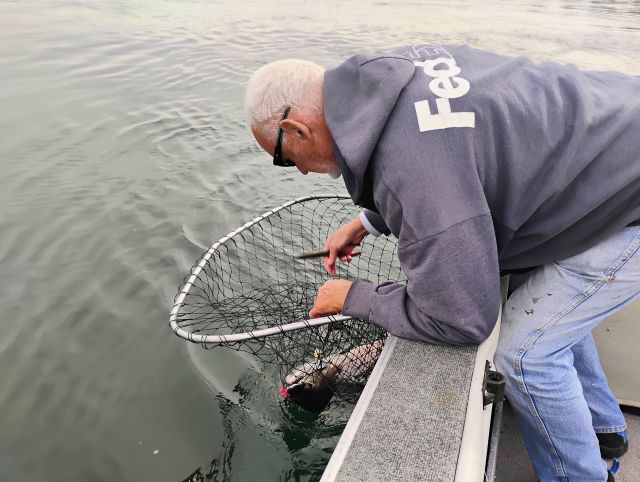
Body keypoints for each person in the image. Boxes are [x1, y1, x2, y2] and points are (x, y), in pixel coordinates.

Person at [244, 44, 640, 481]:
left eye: (282, 158)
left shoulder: (411, 165)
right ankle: (604, 431)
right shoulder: (391, 77)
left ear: (294, 128)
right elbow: (454, 153)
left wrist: (351, 295)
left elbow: (462, 317)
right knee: (549, 305)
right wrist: (367, 221)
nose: (296, 170)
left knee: (527, 355)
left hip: (628, 197)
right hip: (614, 131)